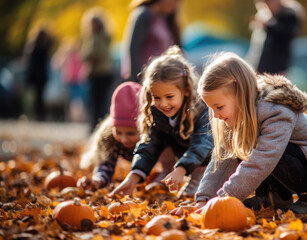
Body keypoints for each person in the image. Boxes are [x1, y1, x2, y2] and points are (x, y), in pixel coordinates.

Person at [171, 52, 307, 217]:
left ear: (240, 93)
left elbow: (263, 159)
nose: (215, 114)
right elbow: (220, 160)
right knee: (246, 145)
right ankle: (272, 196)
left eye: (219, 106)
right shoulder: (236, 117)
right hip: (289, 159)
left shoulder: (275, 110)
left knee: (266, 151)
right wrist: (204, 200)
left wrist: (224, 197)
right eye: (211, 108)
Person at [109, 46, 213, 198]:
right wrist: (134, 175)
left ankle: (200, 178)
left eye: (169, 97)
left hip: (213, 160)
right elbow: (150, 144)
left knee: (203, 144)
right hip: (186, 156)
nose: (163, 104)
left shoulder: (202, 111)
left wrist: (182, 168)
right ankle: (169, 173)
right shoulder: (157, 113)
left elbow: (203, 144)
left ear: (185, 91)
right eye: (157, 97)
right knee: (159, 137)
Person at [77, 82, 142, 190]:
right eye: (118, 132)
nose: (124, 139)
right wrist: (97, 180)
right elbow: (105, 164)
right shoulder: (111, 138)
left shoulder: (155, 135)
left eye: (131, 133)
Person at [121, 0, 181, 83]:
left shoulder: (165, 19)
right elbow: (133, 49)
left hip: (163, 77)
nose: (176, 4)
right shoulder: (144, 15)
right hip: (145, 77)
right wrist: (135, 79)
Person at [248, 0, 304, 75]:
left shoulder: (288, 15)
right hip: (259, 67)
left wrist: (268, 25)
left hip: (277, 69)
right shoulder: (265, 15)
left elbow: (286, 34)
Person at [80, 7, 114, 130]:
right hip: (96, 73)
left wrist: (86, 55)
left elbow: (95, 53)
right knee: (95, 103)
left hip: (102, 73)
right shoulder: (92, 36)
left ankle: (99, 126)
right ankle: (95, 125)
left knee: (100, 103)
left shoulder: (102, 37)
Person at [23, 26, 54, 121]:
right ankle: (38, 114)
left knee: (37, 96)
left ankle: (37, 114)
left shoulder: (35, 46)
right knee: (38, 97)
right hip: (38, 75)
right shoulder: (38, 46)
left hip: (36, 75)